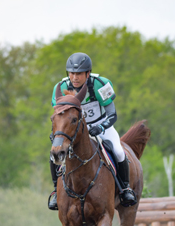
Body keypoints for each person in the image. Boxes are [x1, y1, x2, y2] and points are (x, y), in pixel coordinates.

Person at [48, 52, 137, 210]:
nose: (75, 77)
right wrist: (57, 133)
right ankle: (56, 192)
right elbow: (58, 116)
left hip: (101, 125)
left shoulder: (100, 84)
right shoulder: (60, 88)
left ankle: (125, 189)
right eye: (72, 73)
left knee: (118, 151)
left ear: (88, 73)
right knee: (54, 154)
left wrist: (101, 127)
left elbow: (112, 114)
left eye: (79, 74)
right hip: (73, 129)